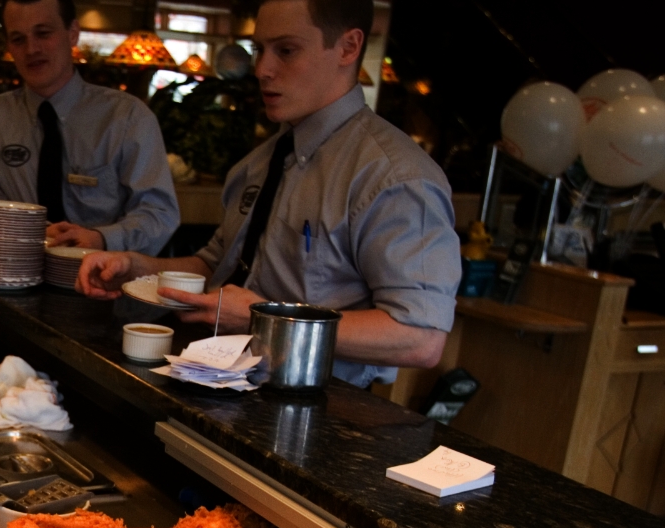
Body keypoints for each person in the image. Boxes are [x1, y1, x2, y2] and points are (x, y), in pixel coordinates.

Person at [76, 0, 458, 386]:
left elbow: (419, 338)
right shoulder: (259, 162)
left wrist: (264, 320)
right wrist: (137, 267)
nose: (262, 70)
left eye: (286, 50)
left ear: (348, 47)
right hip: (217, 384)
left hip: (317, 408)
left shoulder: (395, 176)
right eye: (259, 50)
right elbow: (216, 263)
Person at [0, 0, 179, 254]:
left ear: (72, 34)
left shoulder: (127, 117)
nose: (31, 49)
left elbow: (159, 213)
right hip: (13, 276)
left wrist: (102, 239)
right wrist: (33, 232)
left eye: (43, 33)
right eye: (18, 39)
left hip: (104, 282)